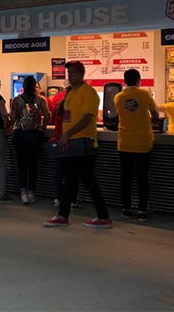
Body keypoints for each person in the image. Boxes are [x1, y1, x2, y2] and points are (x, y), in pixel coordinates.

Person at [44, 61, 112, 228]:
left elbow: (88, 117)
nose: (70, 76)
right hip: (72, 143)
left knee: (85, 180)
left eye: (73, 73)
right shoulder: (70, 93)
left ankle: (98, 217)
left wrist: (68, 133)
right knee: (74, 180)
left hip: (83, 144)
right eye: (69, 73)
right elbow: (67, 117)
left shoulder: (88, 93)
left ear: (81, 74)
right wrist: (64, 134)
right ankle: (64, 215)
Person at [114, 69, 159, 222]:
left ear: (124, 81)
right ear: (139, 80)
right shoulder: (145, 94)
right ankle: (142, 211)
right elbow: (156, 115)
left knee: (125, 178)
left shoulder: (118, 97)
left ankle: (126, 209)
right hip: (142, 143)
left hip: (124, 142)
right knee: (142, 178)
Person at [10, 75, 50, 205]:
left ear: (23, 86)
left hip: (20, 134)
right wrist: (43, 126)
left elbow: (13, 116)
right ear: (35, 87)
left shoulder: (17, 100)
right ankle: (32, 191)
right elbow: (48, 115)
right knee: (33, 164)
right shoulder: (40, 100)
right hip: (35, 134)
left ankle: (23, 192)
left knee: (22, 164)